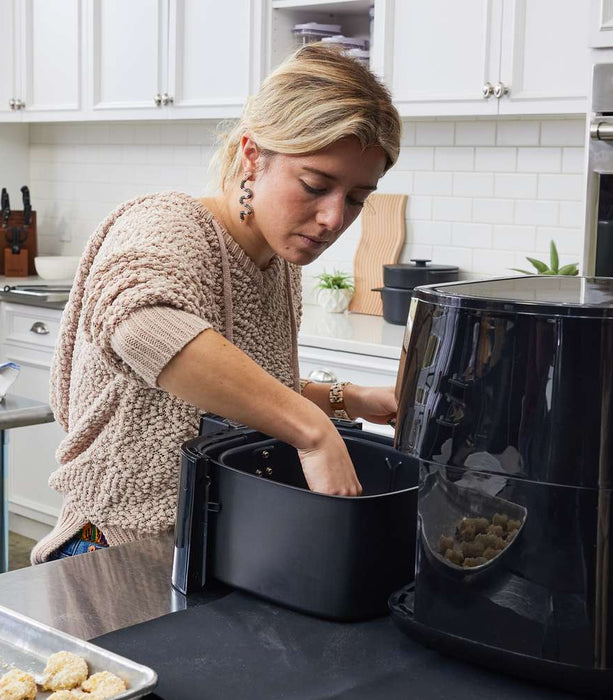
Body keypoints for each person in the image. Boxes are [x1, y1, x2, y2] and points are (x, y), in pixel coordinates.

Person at [31, 44, 402, 564]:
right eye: (316, 185)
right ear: (253, 156)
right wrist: (314, 433)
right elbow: (143, 326)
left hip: (210, 544)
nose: (333, 219)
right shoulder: (168, 224)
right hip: (110, 546)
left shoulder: (278, 263)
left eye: (358, 198)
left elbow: (240, 397)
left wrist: (352, 400)